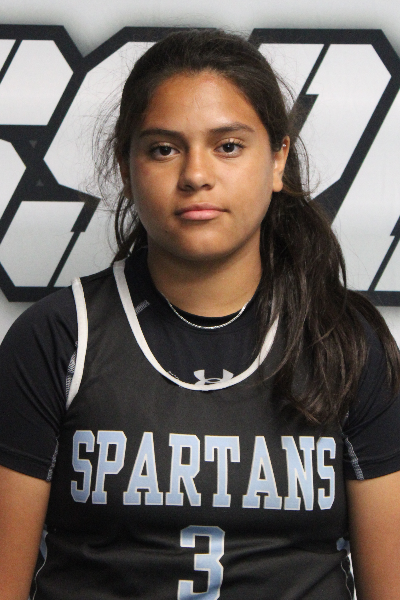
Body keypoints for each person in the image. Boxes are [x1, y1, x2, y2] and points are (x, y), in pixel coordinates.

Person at [0, 29, 400, 600]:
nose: (195, 174)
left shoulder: (344, 343)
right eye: (164, 149)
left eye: (228, 146)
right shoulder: (59, 338)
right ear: (126, 166)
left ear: (278, 159)